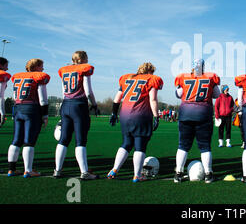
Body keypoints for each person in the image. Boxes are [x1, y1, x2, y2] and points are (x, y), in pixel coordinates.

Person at [108, 62, 163, 182]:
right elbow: (152, 99)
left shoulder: (126, 78)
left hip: (124, 115)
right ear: (151, 71)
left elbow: (117, 99)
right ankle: (137, 175)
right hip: (141, 115)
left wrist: (113, 113)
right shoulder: (151, 79)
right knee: (140, 145)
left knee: (126, 143)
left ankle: (114, 169)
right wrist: (156, 116)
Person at [173, 59, 221, 183]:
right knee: (205, 146)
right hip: (203, 114)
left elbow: (178, 94)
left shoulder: (184, 77)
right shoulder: (210, 77)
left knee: (183, 145)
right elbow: (217, 94)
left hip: (186, 114)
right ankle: (208, 174)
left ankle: (178, 173)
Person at [54, 51, 99, 180]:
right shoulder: (84, 69)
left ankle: (57, 170)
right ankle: (84, 172)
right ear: (83, 59)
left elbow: (63, 91)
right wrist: (94, 105)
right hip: (79, 105)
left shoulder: (65, 70)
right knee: (80, 140)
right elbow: (88, 91)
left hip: (66, 104)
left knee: (64, 139)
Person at [8, 58, 50, 177]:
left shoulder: (18, 77)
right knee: (29, 141)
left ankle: (11, 169)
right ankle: (28, 170)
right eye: (41, 66)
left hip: (17, 108)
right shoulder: (38, 77)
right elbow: (43, 99)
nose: (43, 68)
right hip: (31, 109)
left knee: (16, 140)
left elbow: (14, 96)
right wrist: (45, 115)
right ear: (36, 67)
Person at [0, 57, 11, 128]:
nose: (7, 68)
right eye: (6, 66)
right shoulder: (2, 75)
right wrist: (2, 113)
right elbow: (0, 96)